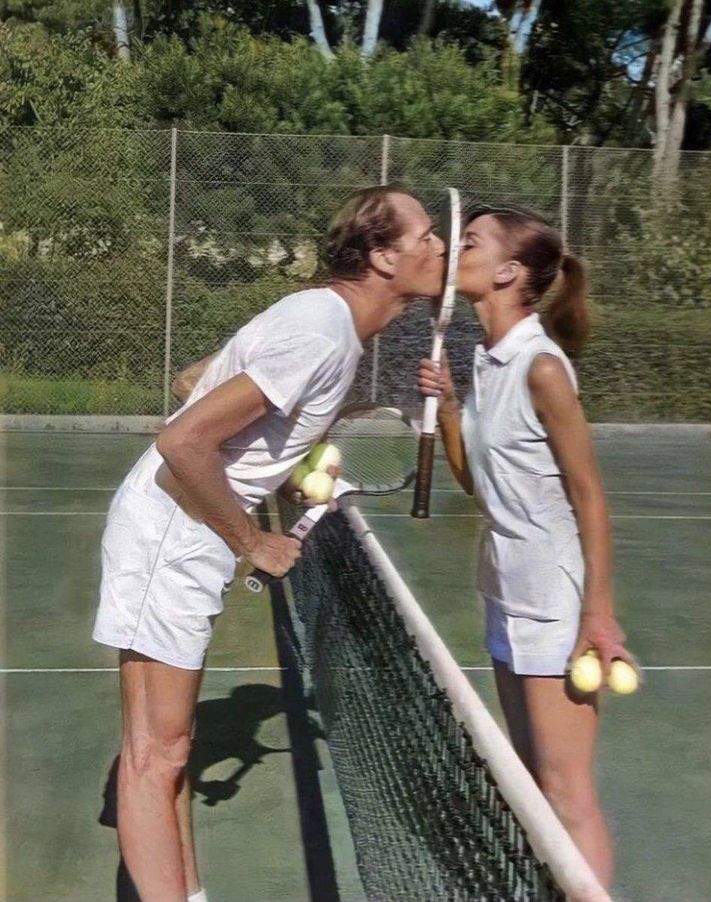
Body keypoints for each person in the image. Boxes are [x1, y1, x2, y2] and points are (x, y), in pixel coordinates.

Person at [93, 184, 445, 902]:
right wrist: (253, 537)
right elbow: (183, 438)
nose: (440, 248)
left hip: (176, 529)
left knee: (167, 753)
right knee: (155, 758)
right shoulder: (323, 329)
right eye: (426, 237)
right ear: (382, 256)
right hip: (171, 530)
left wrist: (275, 463)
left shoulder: (326, 324)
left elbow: (194, 382)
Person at [417, 204, 629, 889]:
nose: (456, 249)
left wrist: (596, 615)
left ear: (509, 271)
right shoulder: (488, 361)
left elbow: (591, 497)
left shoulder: (541, 366)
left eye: (470, 242)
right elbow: (478, 484)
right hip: (505, 589)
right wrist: (450, 407)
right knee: (528, 780)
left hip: (552, 600)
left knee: (567, 794)